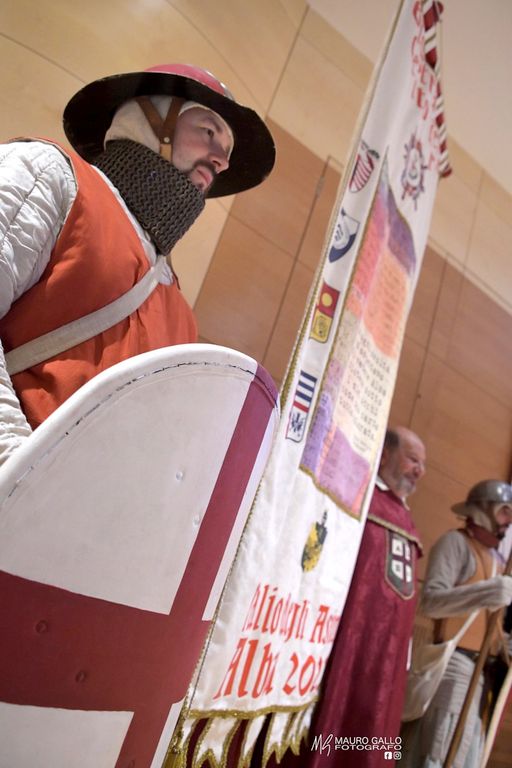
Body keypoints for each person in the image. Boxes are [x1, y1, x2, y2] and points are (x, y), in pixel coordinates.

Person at [0, 63, 275, 464]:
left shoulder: (181, 318)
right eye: (208, 132)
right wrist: (15, 464)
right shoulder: (48, 174)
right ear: (148, 117)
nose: (222, 161)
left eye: (227, 152)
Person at [267, 426, 426, 768]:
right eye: (413, 460)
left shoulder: (406, 517)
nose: (419, 471)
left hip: (389, 653)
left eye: (422, 465)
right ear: (385, 455)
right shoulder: (358, 498)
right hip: (346, 638)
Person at [402, 479, 512, 768]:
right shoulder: (455, 543)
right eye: (504, 511)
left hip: (480, 671)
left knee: (465, 755)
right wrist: (485, 592)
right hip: (454, 664)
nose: (509, 520)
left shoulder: (496, 560)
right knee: (441, 751)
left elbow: (489, 627)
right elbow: (431, 601)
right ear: (482, 510)